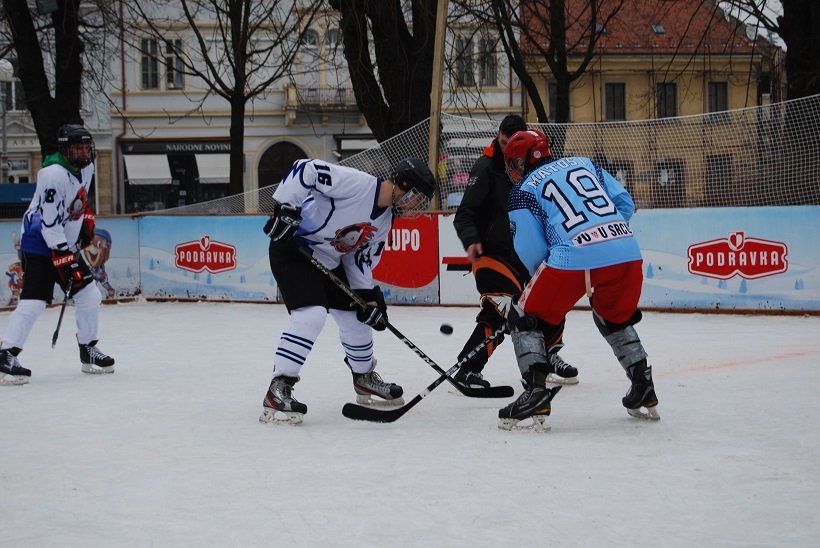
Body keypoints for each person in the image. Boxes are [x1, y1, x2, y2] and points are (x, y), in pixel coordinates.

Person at [498, 129, 660, 431]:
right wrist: (602, 238)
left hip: (571, 258)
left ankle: (535, 392)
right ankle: (643, 385)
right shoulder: (585, 163)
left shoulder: (522, 191)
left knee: (523, 314)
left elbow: (531, 252)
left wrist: (542, 297)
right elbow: (624, 203)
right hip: (626, 252)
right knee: (613, 316)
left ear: (518, 162)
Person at [259, 157, 437, 425]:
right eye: (418, 199)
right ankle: (279, 387)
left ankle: (363, 377)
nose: (417, 207)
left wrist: (367, 296)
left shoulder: (386, 220)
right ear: (403, 185)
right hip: (294, 248)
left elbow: (359, 258)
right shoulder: (356, 184)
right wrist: (286, 207)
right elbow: (306, 169)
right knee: (312, 314)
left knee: (357, 313)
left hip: (328, 260)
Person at [452, 115, 577, 390]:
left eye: (513, 145)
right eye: (503, 142)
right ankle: (467, 368)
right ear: (499, 137)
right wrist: (472, 240)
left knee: (549, 296)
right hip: (492, 254)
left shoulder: (536, 170)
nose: (507, 149)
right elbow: (464, 215)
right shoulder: (486, 168)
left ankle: (550, 356)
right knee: (502, 304)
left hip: (526, 254)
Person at [0, 124, 114, 386]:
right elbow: (49, 224)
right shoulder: (52, 175)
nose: (83, 152)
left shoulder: (88, 168)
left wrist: (85, 220)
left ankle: (88, 349)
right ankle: (6, 352)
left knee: (89, 295)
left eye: (86, 147)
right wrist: (65, 260)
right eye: (77, 148)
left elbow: (77, 203)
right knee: (35, 302)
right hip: (39, 244)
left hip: (65, 244)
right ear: (65, 150)